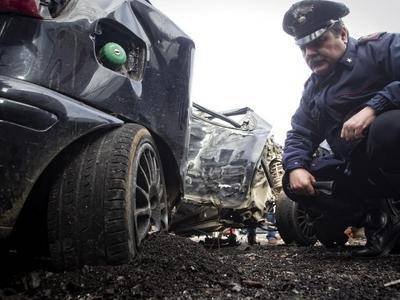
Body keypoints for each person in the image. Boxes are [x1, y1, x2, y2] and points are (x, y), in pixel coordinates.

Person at [281, 0, 400, 257]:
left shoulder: (380, 49)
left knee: (388, 129)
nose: (310, 53)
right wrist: (296, 166)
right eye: (303, 48)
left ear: (342, 34)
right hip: (358, 169)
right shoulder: (312, 90)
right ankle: (377, 219)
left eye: (317, 42)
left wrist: (373, 108)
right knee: (293, 182)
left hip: (388, 150)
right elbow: (300, 132)